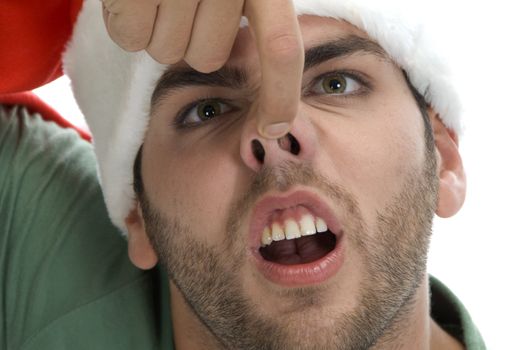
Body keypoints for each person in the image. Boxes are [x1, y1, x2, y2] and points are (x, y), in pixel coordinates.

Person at [0, 0, 486, 349]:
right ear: (136, 215)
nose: (276, 132)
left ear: (444, 157)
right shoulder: (32, 243)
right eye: (207, 110)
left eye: (336, 83)